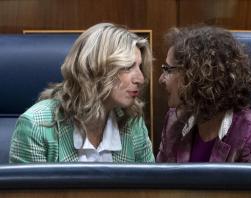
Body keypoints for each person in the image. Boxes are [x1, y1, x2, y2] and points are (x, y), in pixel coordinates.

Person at [9, 23, 155, 163]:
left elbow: (149, 187)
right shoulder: (36, 126)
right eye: (128, 67)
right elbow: (31, 189)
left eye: (140, 67)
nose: (140, 79)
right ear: (94, 69)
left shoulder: (133, 122)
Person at [156, 25, 251, 164]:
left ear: (195, 76)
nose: (161, 79)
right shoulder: (174, 121)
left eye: (168, 69)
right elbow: (160, 183)